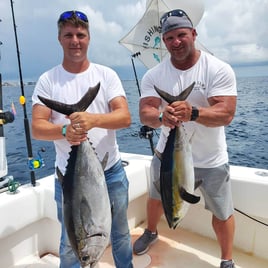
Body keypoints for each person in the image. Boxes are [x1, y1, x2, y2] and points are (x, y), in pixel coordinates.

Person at [133, 9, 237, 268]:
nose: (176, 42)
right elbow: (146, 112)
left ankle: (227, 260)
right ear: (164, 42)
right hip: (167, 155)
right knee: (156, 197)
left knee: (222, 212)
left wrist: (193, 112)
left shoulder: (218, 69)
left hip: (211, 158)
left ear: (194, 34)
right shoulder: (153, 75)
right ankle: (152, 231)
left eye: (181, 35)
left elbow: (226, 114)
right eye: (169, 38)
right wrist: (161, 117)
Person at [31, 10, 133, 268]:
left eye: (80, 35)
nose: (75, 40)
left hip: (110, 172)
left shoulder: (106, 75)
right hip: (70, 181)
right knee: (69, 241)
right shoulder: (47, 81)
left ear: (89, 38)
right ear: (59, 38)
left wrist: (93, 120)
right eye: (69, 35)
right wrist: (65, 131)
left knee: (120, 232)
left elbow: (124, 117)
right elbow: (37, 128)